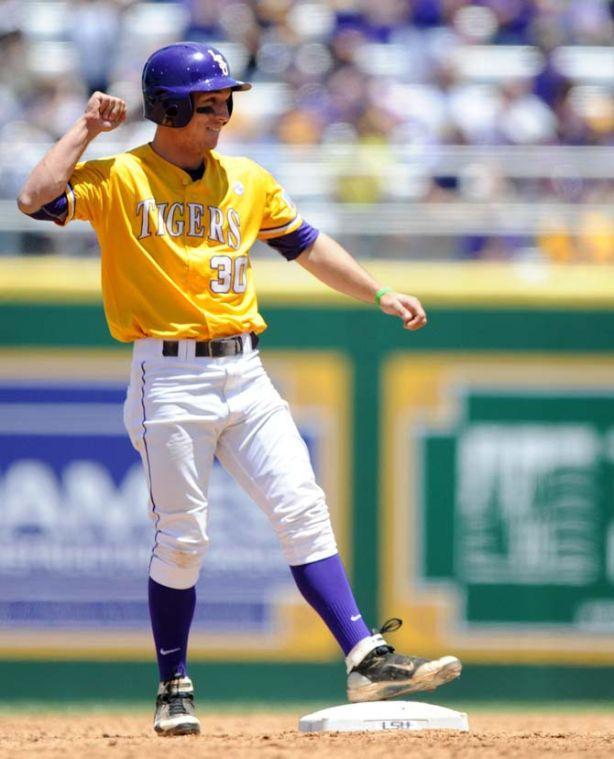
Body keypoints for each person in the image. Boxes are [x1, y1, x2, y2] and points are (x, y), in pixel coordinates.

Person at [17, 42, 461, 737]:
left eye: (227, 98)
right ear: (168, 107)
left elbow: (307, 244)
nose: (224, 110)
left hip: (245, 371)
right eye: (210, 100)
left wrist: (377, 290)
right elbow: (34, 197)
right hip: (166, 375)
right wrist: (85, 131)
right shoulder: (123, 176)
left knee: (302, 507)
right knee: (184, 538)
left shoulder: (247, 179)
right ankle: (172, 683)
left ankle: (364, 655)